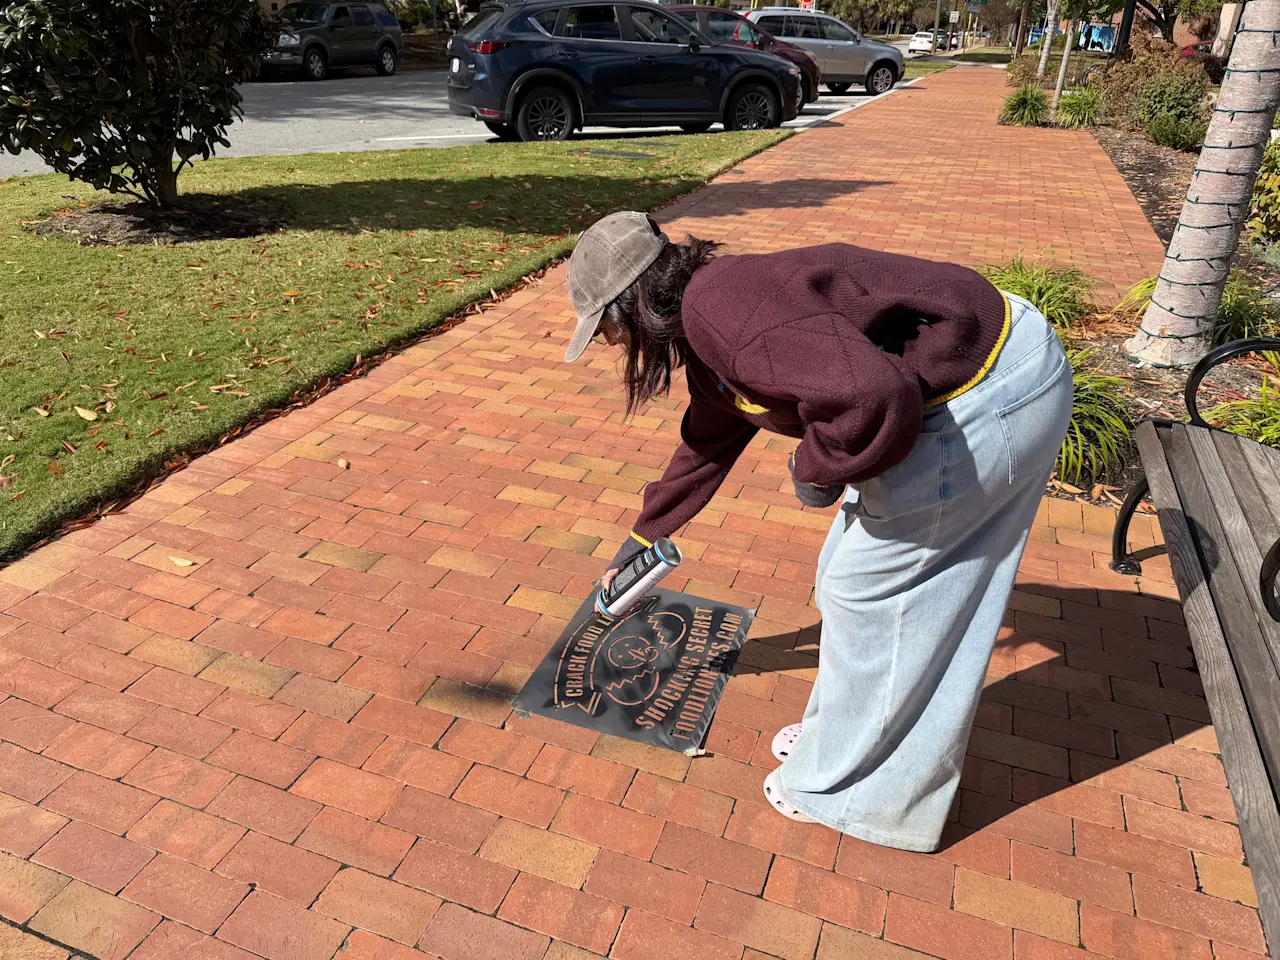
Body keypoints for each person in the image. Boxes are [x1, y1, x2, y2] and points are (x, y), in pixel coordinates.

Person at [564, 211, 1073, 853]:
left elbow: (876, 398)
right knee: (843, 583)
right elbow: (709, 437)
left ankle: (859, 794)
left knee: (880, 602)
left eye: (605, 330)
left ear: (629, 304)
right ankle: (845, 731)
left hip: (988, 390)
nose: (612, 345)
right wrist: (642, 539)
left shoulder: (725, 315)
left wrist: (815, 469)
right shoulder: (712, 316)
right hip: (985, 368)